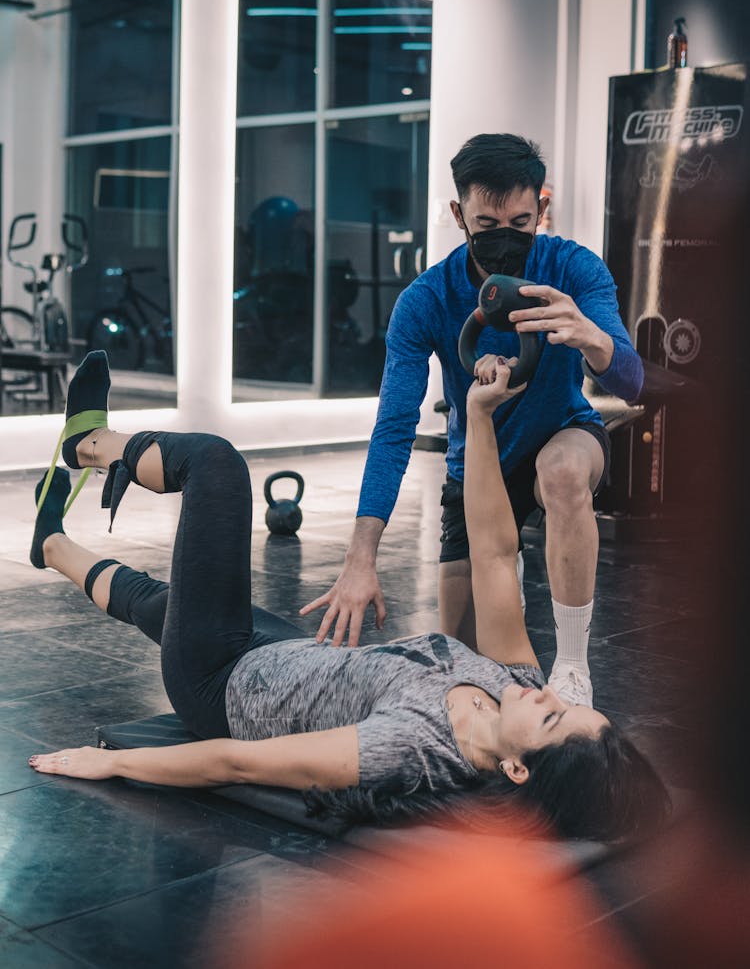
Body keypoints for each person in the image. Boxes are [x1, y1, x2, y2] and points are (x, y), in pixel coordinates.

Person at [27, 351, 667, 842]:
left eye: (554, 717)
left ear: (519, 770)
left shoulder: (416, 748)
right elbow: (497, 554)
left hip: (220, 684)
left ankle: (86, 443)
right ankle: (50, 544)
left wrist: (112, 765)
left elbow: (239, 763)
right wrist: (476, 415)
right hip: (287, 653)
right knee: (159, 604)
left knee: (215, 468)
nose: (550, 691)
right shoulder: (513, 679)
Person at [301, 134, 643, 707]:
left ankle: (574, 667)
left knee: (561, 472)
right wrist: (361, 559)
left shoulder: (573, 267)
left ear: (543, 209)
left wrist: (593, 338)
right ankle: (502, 591)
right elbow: (394, 428)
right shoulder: (426, 300)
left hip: (563, 432)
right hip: (479, 460)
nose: (504, 235)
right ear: (459, 215)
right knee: (464, 668)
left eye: (520, 219)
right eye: (487, 221)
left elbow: (630, 383)